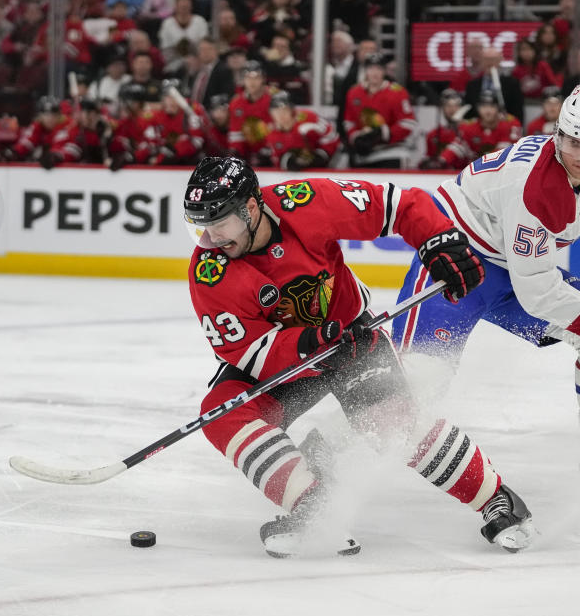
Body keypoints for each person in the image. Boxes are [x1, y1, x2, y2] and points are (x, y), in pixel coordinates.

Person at [182, 156, 535, 556]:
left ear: (249, 207)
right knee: (223, 410)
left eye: (219, 221)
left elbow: (399, 206)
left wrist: (439, 241)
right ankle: (315, 506)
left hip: (351, 340)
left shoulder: (306, 203)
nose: (211, 236)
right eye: (202, 225)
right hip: (286, 361)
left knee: (394, 423)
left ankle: (496, 500)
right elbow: (246, 350)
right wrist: (307, 345)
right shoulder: (209, 271)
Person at [392, 83, 580, 505]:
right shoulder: (534, 185)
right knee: (414, 382)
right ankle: (326, 459)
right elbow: (538, 291)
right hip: (456, 259)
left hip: (512, 265)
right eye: (572, 139)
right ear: (558, 131)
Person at [343, 53, 418, 169]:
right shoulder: (354, 92)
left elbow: (408, 122)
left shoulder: (397, 92)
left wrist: (382, 133)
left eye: (379, 68)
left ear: (384, 71)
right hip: (364, 155)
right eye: (371, 68)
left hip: (392, 152)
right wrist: (356, 137)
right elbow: (349, 121)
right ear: (365, 71)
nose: (375, 72)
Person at [263, 90, 339, 169]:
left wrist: (323, 154)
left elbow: (331, 135)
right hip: (292, 175)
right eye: (276, 111)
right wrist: (287, 161)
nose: (281, 115)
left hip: (326, 165)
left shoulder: (309, 118)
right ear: (270, 113)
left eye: (284, 110)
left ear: (292, 110)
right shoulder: (270, 133)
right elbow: (277, 161)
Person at [228, 60, 273, 164]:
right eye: (248, 78)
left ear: (263, 79)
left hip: (271, 151)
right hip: (248, 152)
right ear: (243, 80)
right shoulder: (236, 103)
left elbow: (278, 128)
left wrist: (270, 149)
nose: (252, 82)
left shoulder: (274, 99)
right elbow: (236, 132)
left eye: (256, 78)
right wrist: (236, 152)